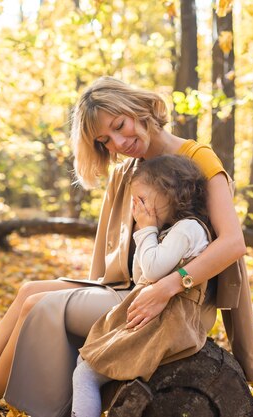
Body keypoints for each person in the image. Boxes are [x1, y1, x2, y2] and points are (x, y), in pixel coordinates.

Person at [0, 76, 253, 417]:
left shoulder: (197, 158)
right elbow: (118, 253)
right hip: (133, 288)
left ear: (139, 109)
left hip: (177, 302)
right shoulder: (130, 170)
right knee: (28, 291)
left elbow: (233, 243)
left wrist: (170, 285)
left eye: (120, 124)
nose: (118, 142)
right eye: (104, 140)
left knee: (39, 304)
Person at [72, 154, 213, 417]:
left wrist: (147, 230)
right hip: (154, 317)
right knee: (86, 362)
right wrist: (148, 231)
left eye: (143, 199)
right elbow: (141, 276)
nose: (138, 208)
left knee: (85, 373)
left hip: (166, 323)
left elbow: (153, 269)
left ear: (171, 193)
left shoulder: (188, 229)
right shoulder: (171, 232)